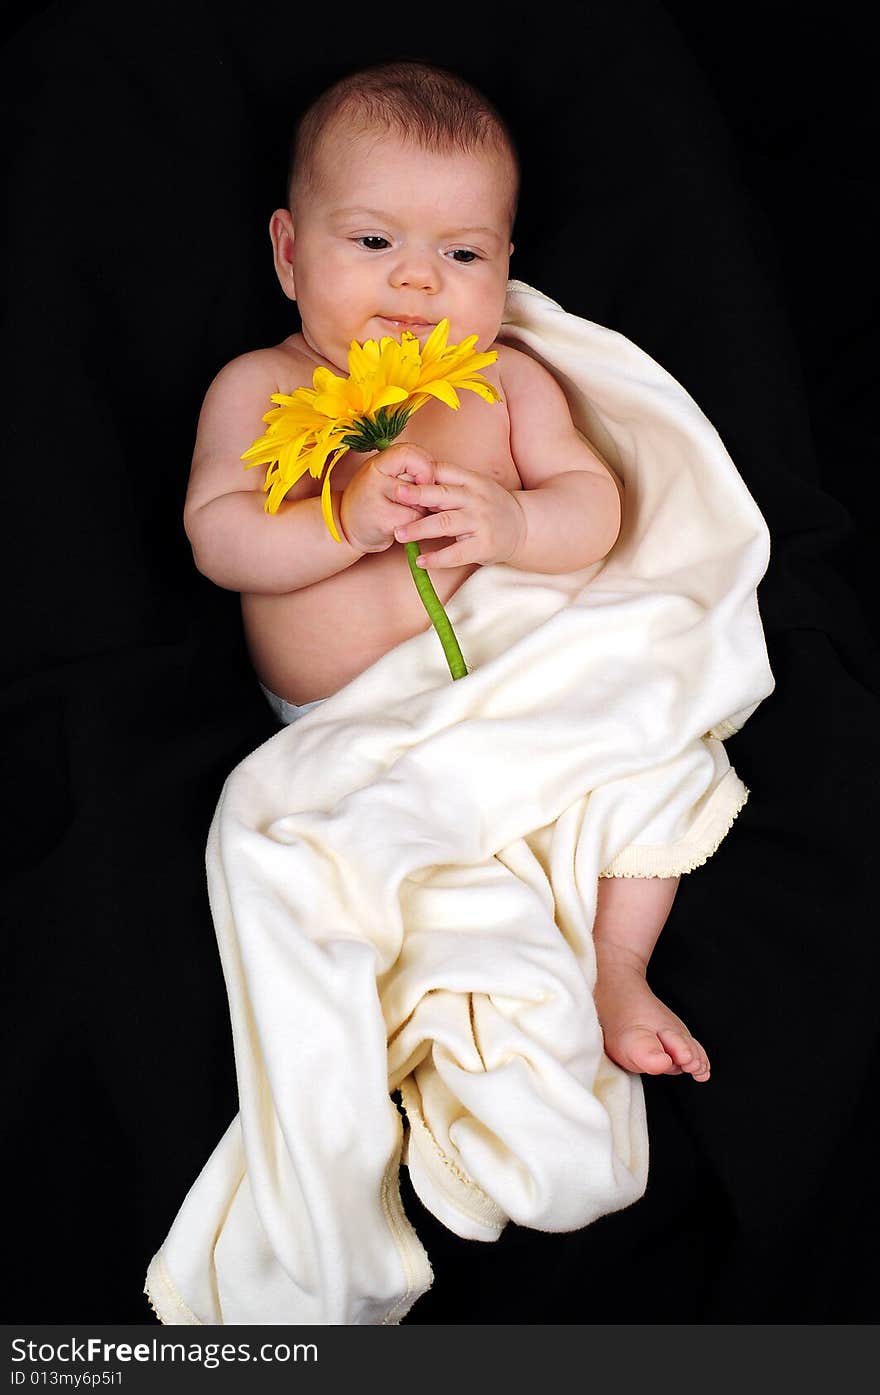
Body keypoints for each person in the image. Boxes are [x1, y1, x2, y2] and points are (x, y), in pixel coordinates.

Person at [182, 59, 711, 1086]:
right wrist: (344, 522)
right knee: (380, 869)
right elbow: (219, 538)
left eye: (460, 251)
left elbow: (593, 508)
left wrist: (514, 520)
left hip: (515, 685)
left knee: (657, 759)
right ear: (291, 255)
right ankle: (482, 973)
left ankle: (613, 964)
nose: (417, 280)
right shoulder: (264, 386)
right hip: (358, 730)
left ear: (504, 267)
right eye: (373, 241)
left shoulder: (506, 381)